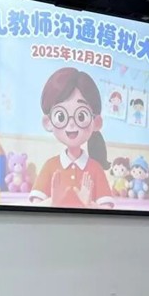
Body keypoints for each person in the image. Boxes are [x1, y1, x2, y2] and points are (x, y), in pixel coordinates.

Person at [29, 67, 114, 209]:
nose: (72, 124)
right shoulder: (50, 166)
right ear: (48, 122)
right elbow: (35, 206)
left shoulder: (96, 169)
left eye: (81, 116)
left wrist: (88, 204)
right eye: (61, 116)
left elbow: (107, 209)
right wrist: (53, 202)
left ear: (96, 122)